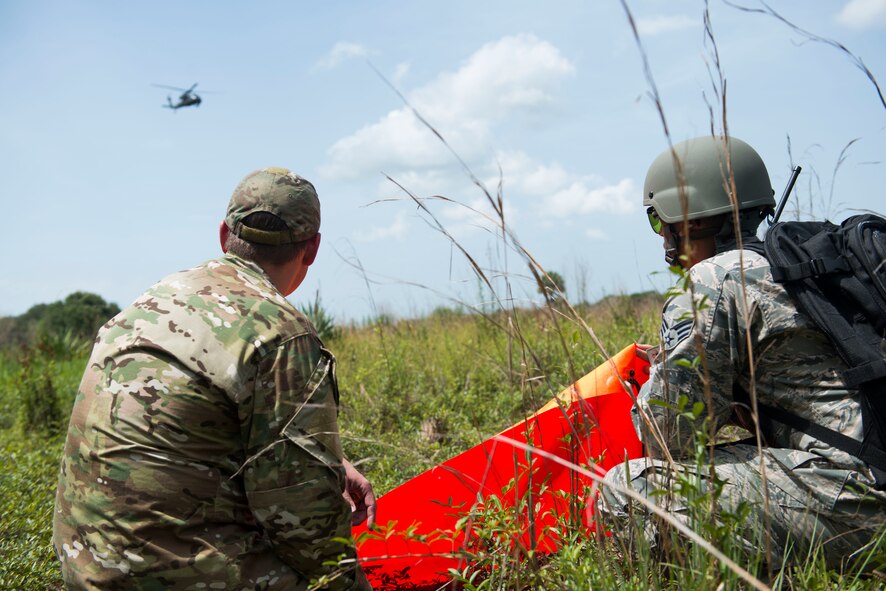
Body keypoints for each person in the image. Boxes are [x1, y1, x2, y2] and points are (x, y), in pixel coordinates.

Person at [53, 167, 375, 590]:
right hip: (165, 578)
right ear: (312, 248)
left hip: (84, 562)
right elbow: (306, 525)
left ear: (224, 235)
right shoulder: (281, 332)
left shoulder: (151, 299)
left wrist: (329, 463)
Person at [597, 136, 886, 567]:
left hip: (861, 504)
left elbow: (667, 438)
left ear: (691, 220)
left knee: (629, 489)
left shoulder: (713, 281)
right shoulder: (808, 263)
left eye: (659, 222)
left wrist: (663, 378)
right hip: (869, 473)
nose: (662, 242)